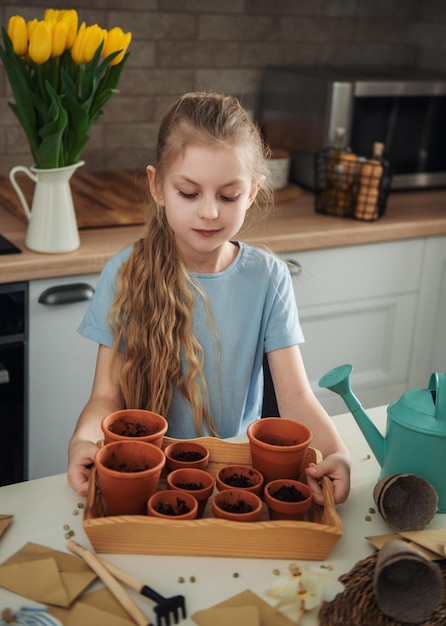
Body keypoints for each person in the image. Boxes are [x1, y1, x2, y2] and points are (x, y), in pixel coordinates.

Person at [67, 91, 351, 504]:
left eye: (228, 196)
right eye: (189, 192)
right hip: (152, 478)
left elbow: (295, 398)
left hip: (239, 478)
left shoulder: (268, 277)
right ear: (157, 186)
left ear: (253, 192)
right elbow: (107, 396)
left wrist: (338, 453)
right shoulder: (125, 273)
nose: (209, 213)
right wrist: (82, 441)